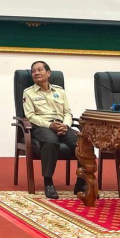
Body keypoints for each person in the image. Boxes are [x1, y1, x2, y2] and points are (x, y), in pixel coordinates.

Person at [22, 61, 86, 199]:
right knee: (50, 141)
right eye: (33, 71)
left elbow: (67, 112)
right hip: (42, 127)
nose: (36, 73)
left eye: (39, 70)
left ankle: (81, 182)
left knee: (83, 142)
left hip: (62, 126)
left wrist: (66, 125)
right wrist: (50, 125)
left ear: (48, 73)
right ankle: (48, 182)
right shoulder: (28, 93)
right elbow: (30, 116)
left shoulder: (59, 91)